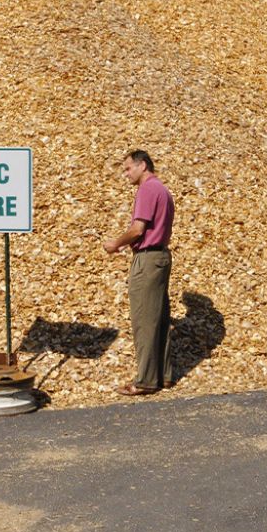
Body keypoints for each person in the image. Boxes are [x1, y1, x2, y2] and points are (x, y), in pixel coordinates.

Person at [102, 150, 175, 395]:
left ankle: (145, 381)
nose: (126, 174)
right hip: (161, 256)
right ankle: (163, 375)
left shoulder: (146, 189)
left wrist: (115, 244)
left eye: (128, 168)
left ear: (142, 165)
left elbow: (137, 229)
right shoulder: (163, 190)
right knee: (160, 318)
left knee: (144, 319)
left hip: (147, 260)